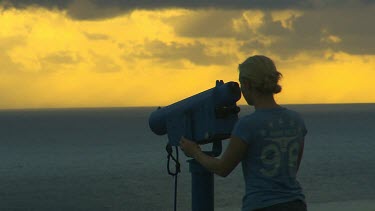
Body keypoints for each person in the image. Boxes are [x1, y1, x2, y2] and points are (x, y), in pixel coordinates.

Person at [179, 55, 307, 211]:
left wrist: (195, 152)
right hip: (296, 204)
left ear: (247, 84)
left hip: (261, 205)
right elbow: (291, 168)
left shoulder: (247, 125)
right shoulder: (296, 121)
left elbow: (222, 168)